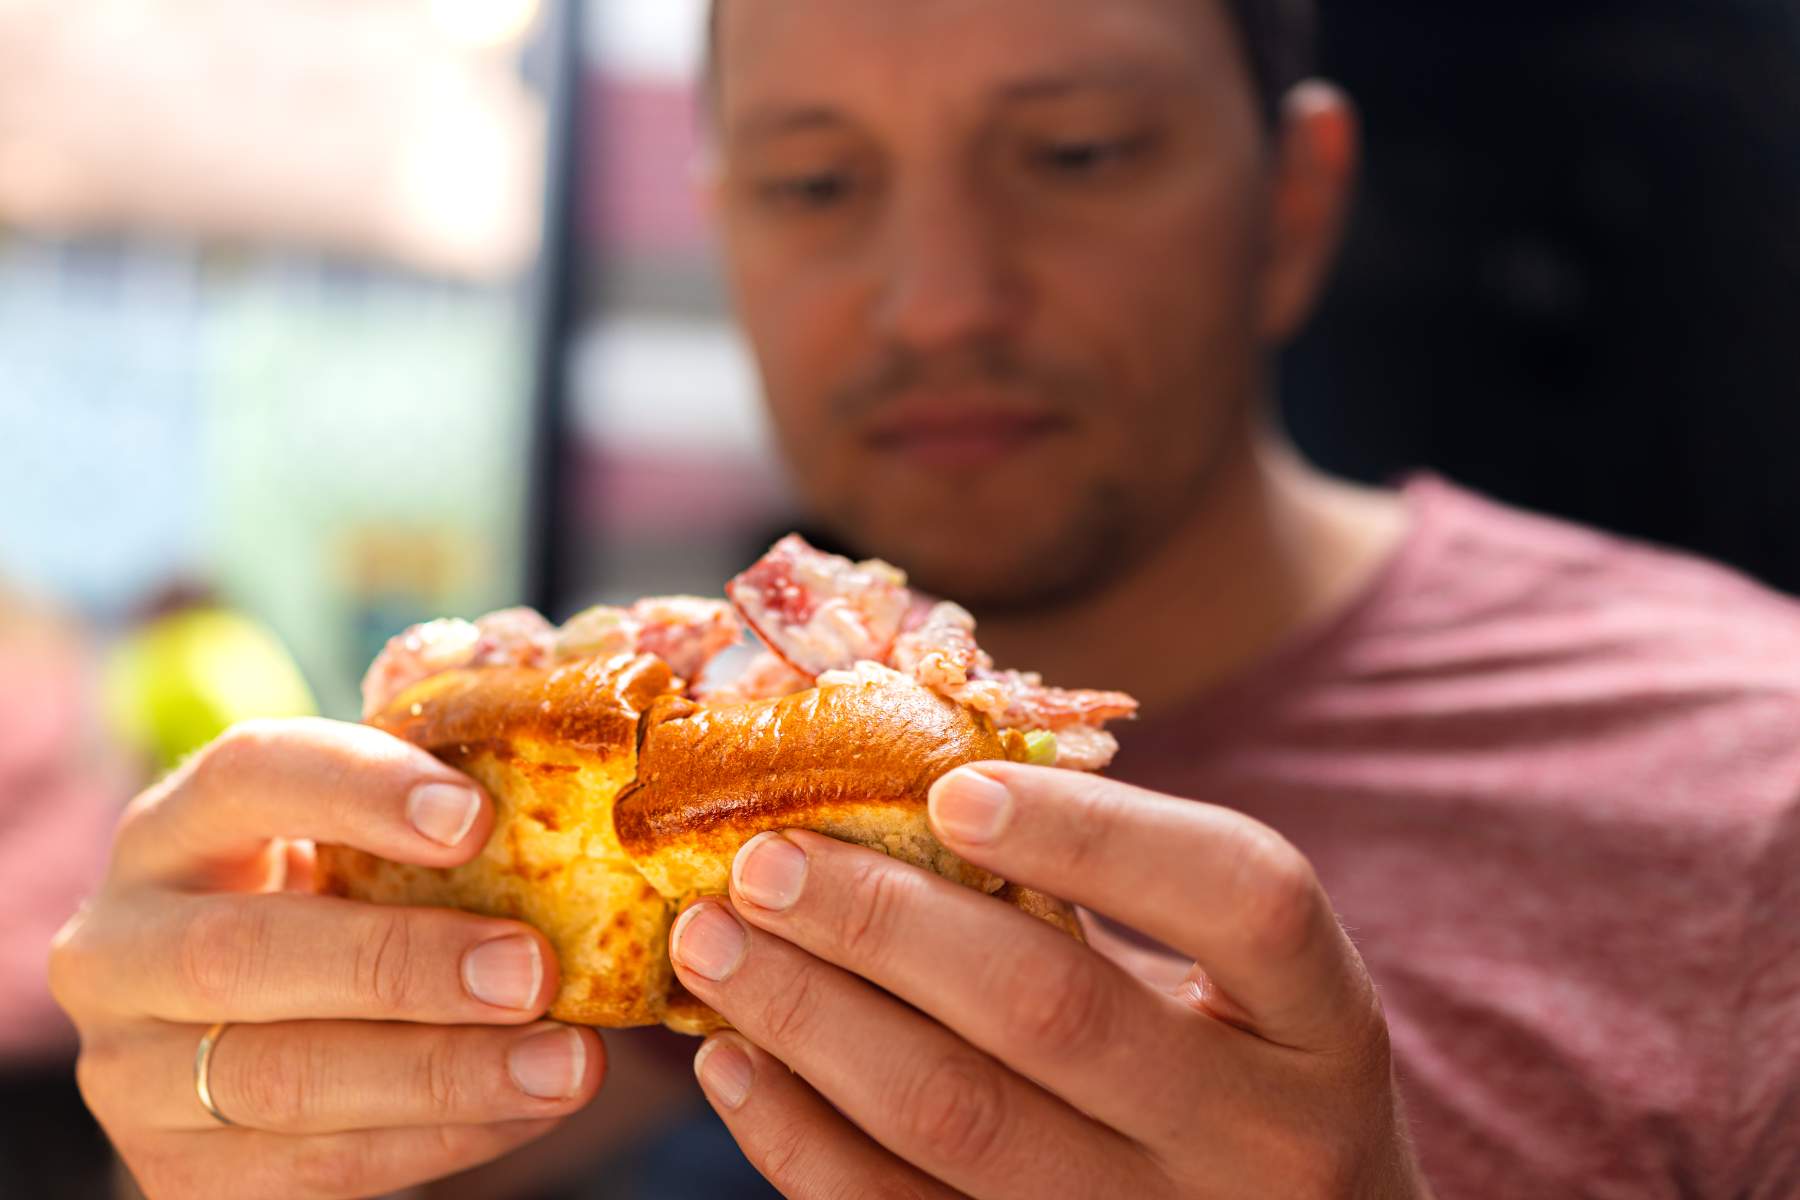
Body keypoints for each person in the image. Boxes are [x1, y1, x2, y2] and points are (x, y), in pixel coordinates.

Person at [50, 1, 1800, 1197]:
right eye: (818, 183)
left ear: (1292, 207)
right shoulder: (564, 798)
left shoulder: (1748, 796)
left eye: (1078, 153)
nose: (938, 298)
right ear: (727, 226)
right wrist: (202, 1131)